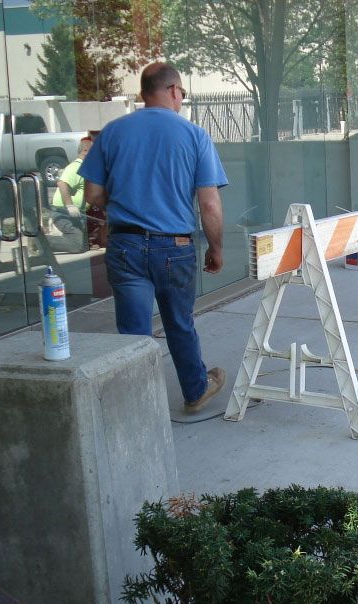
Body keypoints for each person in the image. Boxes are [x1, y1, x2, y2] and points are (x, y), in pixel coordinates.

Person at [80, 62, 229, 413]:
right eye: (182, 93)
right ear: (174, 90)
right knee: (179, 323)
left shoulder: (112, 132)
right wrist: (216, 248)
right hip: (174, 247)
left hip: (125, 245)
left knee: (133, 333)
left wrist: (124, 201)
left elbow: (92, 194)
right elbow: (209, 204)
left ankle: (136, 408)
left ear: (144, 93)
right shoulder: (194, 135)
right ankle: (195, 391)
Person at [48, 135, 93, 254]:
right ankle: (39, 241)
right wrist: (70, 205)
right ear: (85, 151)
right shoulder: (76, 167)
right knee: (77, 245)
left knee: (83, 245)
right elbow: (62, 183)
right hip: (63, 213)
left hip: (76, 215)